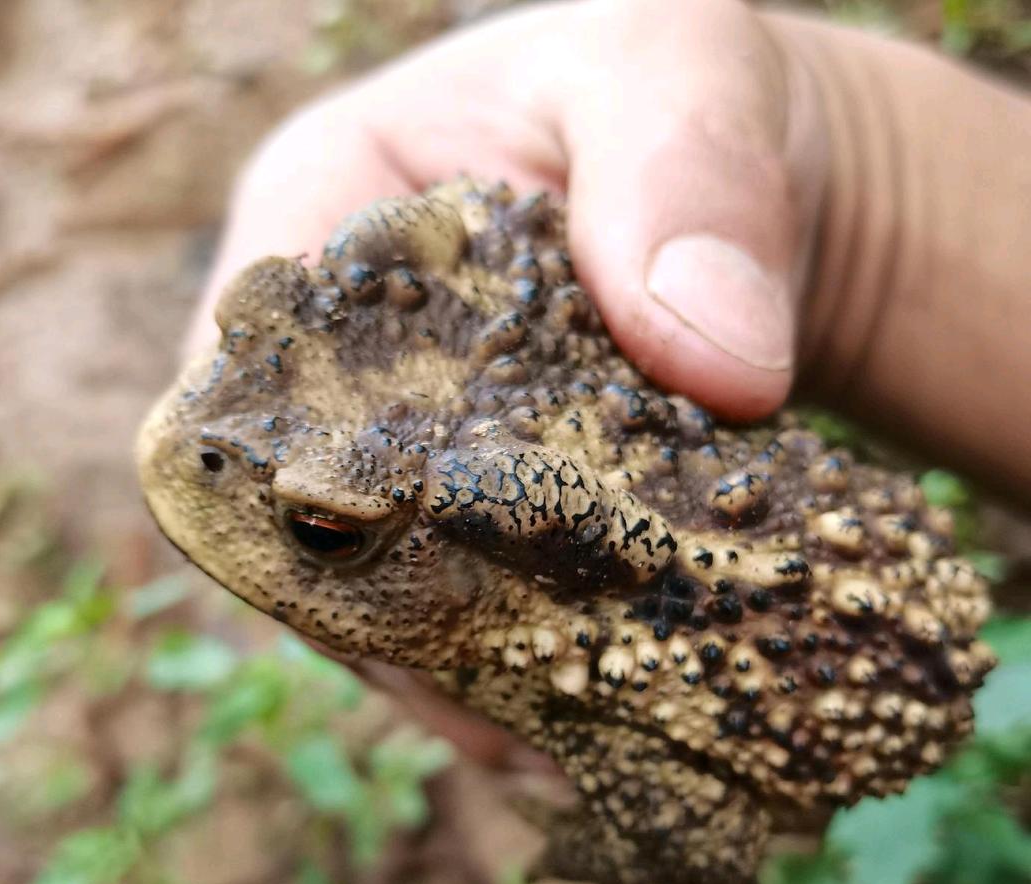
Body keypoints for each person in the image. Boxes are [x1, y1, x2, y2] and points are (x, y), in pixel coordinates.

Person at [185, 0, 1031, 759]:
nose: (206, 429)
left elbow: (695, 838)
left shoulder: (600, 650)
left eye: (325, 530)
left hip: (856, 630)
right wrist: (844, 153)